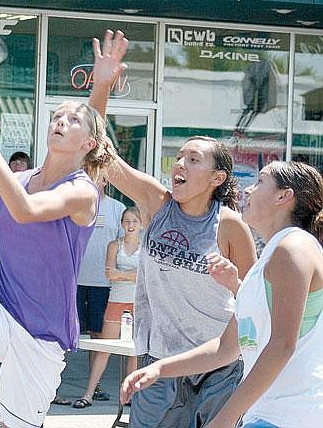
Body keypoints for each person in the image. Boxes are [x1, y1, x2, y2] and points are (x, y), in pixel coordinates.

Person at [0, 30, 128, 428]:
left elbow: (27, 209)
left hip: (43, 334)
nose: (61, 121)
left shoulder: (82, 192)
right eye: (57, 116)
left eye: (72, 119)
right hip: (2, 305)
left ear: (88, 144)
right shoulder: (17, 180)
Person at [88, 35, 257, 427]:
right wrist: (102, 85)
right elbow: (98, 154)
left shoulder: (230, 226)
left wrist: (234, 283)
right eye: (179, 156)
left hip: (218, 366)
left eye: (193, 160)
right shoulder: (156, 203)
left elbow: (255, 303)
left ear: (217, 177)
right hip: (158, 362)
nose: (179, 164)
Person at [121, 161, 323, 428]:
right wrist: (160, 368)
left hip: (293, 416)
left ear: (284, 196)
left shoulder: (293, 247)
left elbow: (282, 345)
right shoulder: (271, 257)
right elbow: (226, 348)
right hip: (267, 416)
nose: (248, 190)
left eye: (260, 182)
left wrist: (225, 418)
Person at [73, 206, 142, 409]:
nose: (130, 225)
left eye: (134, 221)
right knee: (105, 348)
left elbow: (145, 276)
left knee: (134, 351)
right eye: (126, 221)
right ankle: (89, 393)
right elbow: (110, 273)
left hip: (139, 302)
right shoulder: (114, 245)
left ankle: (130, 394)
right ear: (121, 224)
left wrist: (123, 274)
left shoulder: (145, 247)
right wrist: (132, 275)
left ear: (141, 224)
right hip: (117, 299)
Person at [73, 175, 125, 403]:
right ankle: (52, 386)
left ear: (106, 180)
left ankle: (95, 386)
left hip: (102, 283)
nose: (94, 180)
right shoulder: (74, 205)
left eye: (99, 176)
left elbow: (125, 244)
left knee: (97, 336)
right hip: (75, 279)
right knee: (66, 335)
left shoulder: (117, 208)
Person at [0, 152, 31, 277]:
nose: (17, 165)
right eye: (14, 162)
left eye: (22, 163)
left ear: (29, 167)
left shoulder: (34, 191)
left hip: (24, 257)